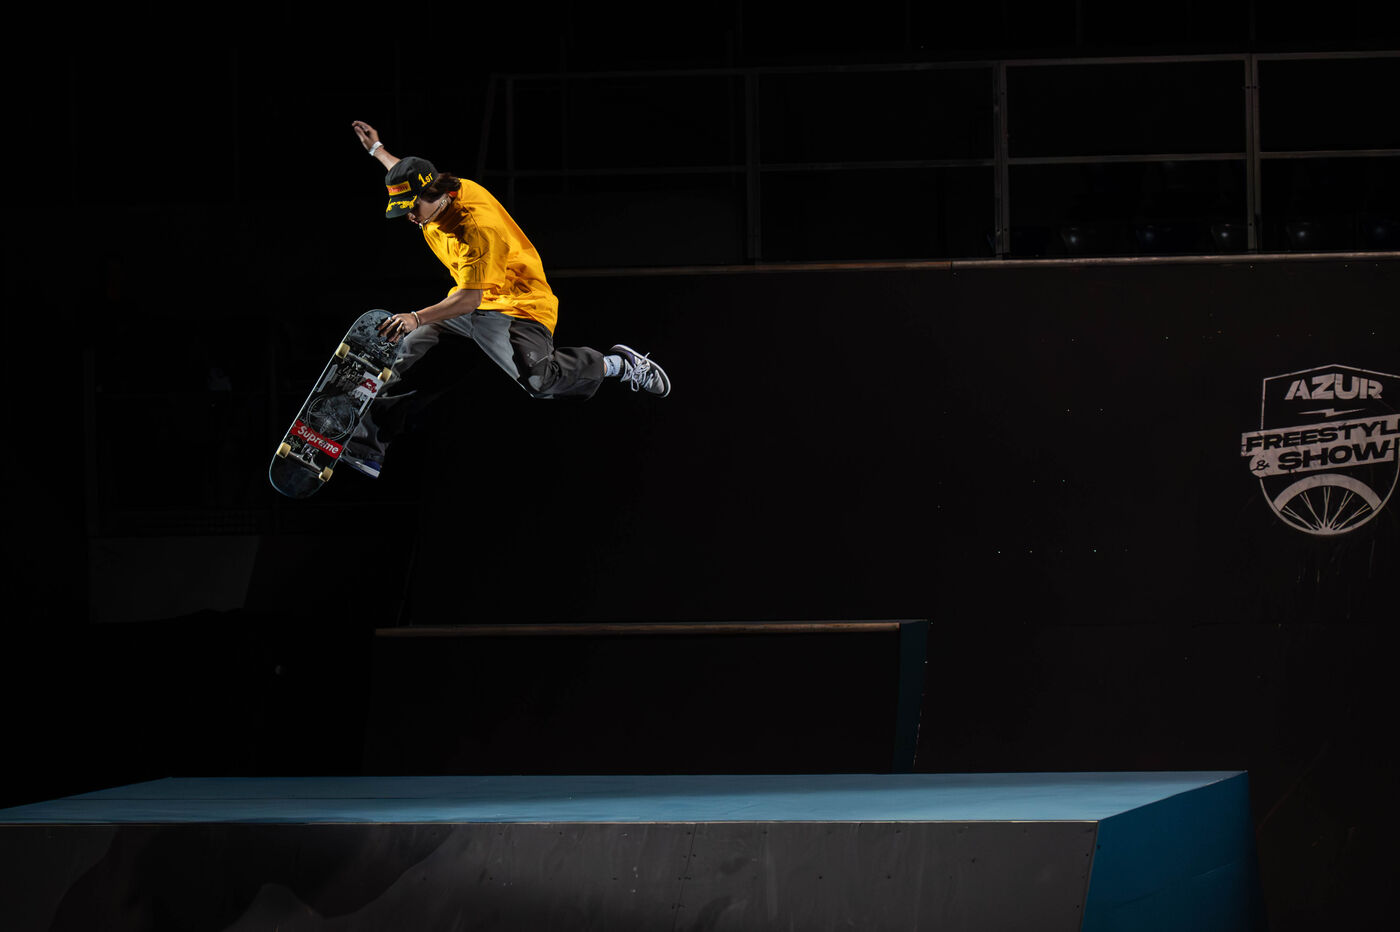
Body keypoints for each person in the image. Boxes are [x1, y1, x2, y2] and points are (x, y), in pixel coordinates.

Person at [340, 120, 670, 478]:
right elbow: (407, 172)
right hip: (470, 306)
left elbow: (469, 298)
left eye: (412, 207)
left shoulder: (475, 227)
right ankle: (364, 446)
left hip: (516, 307)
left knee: (541, 383)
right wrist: (377, 150)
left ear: (434, 195)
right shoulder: (433, 191)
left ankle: (617, 365)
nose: (409, 215)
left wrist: (416, 317)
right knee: (409, 356)